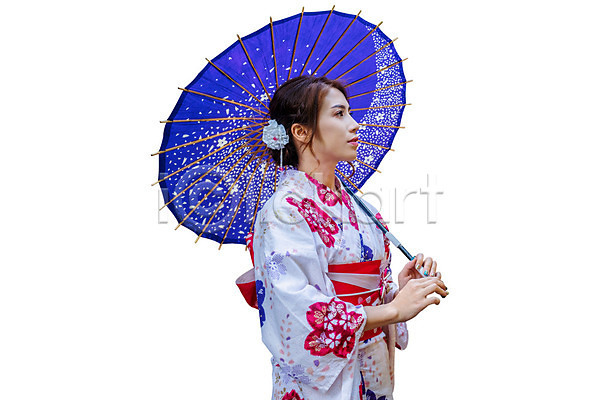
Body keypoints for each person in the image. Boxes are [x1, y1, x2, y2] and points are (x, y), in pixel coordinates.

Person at [236, 75, 448, 400]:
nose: (354, 124)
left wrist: (397, 292)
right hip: (325, 382)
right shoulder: (282, 211)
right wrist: (393, 311)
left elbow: (371, 287)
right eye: (339, 114)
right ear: (301, 132)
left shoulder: (358, 204)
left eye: (349, 112)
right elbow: (295, 308)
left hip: (373, 365)